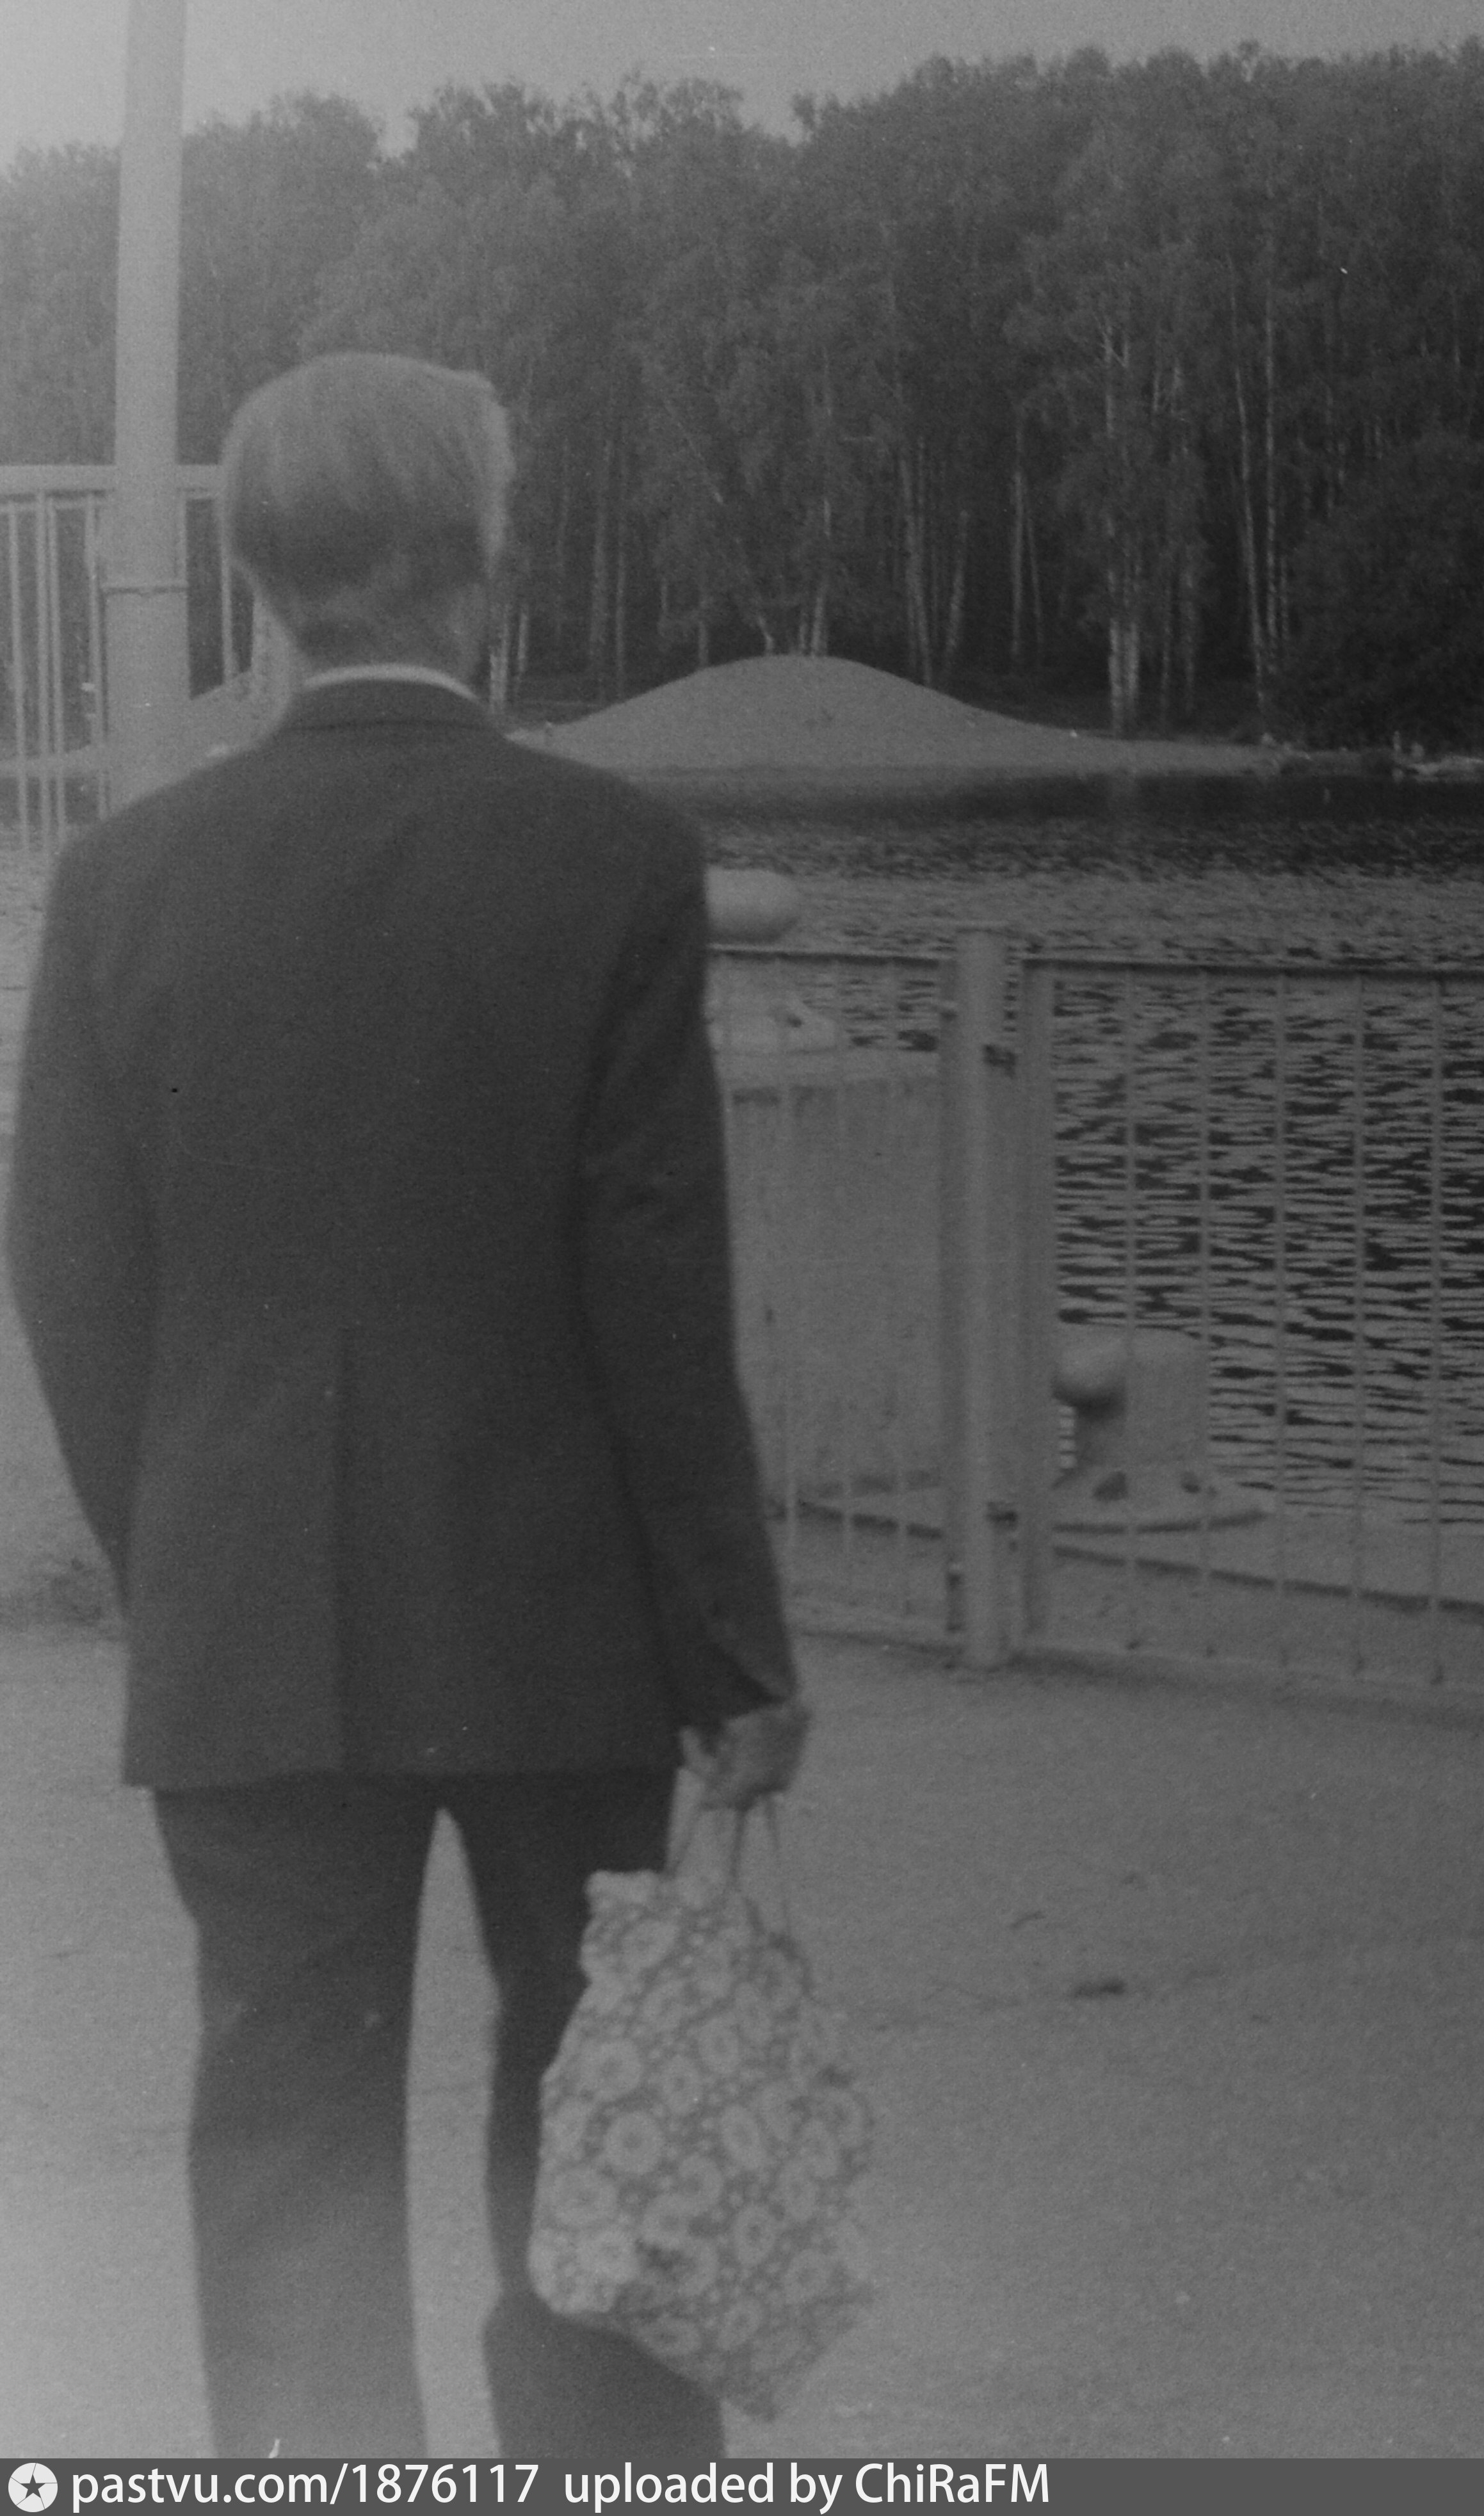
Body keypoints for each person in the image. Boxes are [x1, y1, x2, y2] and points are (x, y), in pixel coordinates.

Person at [6, 351, 809, 2457]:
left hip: (250, 1611)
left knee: (286, 2118)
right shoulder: (610, 860)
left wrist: (184, 1542)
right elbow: (656, 1299)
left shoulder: (122, 877)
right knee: (591, 2088)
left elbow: (73, 1276)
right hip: (559, 1620)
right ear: (482, 564)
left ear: (263, 577)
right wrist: (735, 1651)